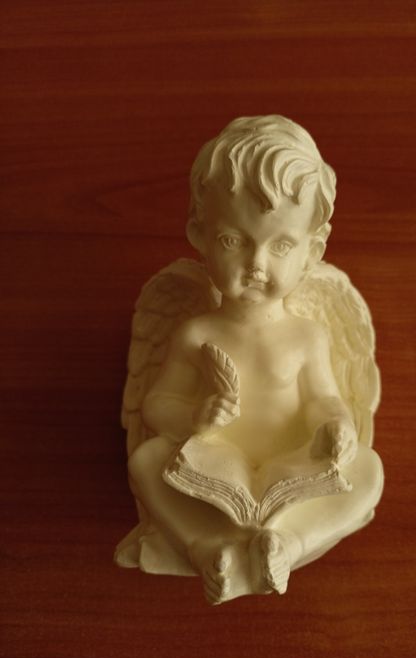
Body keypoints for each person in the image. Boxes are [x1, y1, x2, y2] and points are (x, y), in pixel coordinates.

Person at [116, 116, 383, 604]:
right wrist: (195, 418)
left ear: (312, 251)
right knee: (148, 459)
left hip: (290, 472)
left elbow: (323, 399)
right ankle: (206, 548)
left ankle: (287, 544)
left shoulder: (307, 336)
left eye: (281, 245)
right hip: (218, 474)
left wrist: (336, 426)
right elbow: (156, 405)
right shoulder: (196, 334)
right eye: (233, 241)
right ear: (199, 233)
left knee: (368, 471)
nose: (257, 264)